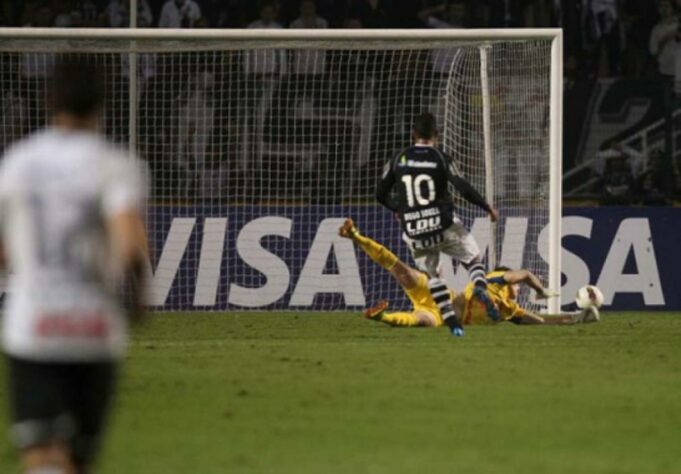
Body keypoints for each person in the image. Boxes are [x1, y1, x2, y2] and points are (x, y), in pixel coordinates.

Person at [0, 57, 149, 474]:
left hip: (34, 325)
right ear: (102, 103)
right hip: (94, 329)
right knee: (79, 461)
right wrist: (138, 297)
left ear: (49, 100)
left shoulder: (17, 162)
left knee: (41, 455)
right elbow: (130, 242)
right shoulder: (115, 165)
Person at [338, 219, 594, 328]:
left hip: (439, 314)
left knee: (420, 321)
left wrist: (575, 318)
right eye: (516, 288)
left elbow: (540, 322)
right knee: (402, 271)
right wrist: (541, 291)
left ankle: (381, 316)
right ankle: (355, 234)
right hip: (440, 296)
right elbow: (524, 274)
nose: (518, 291)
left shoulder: (510, 311)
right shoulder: (494, 281)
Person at [376, 112, 499, 335]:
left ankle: (452, 323)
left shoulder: (397, 159)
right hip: (444, 224)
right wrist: (486, 207)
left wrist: (398, 209)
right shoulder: (441, 158)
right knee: (473, 260)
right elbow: (461, 186)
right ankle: (480, 288)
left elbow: (380, 194)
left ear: (413, 134)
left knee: (433, 276)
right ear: (437, 135)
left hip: (415, 229)